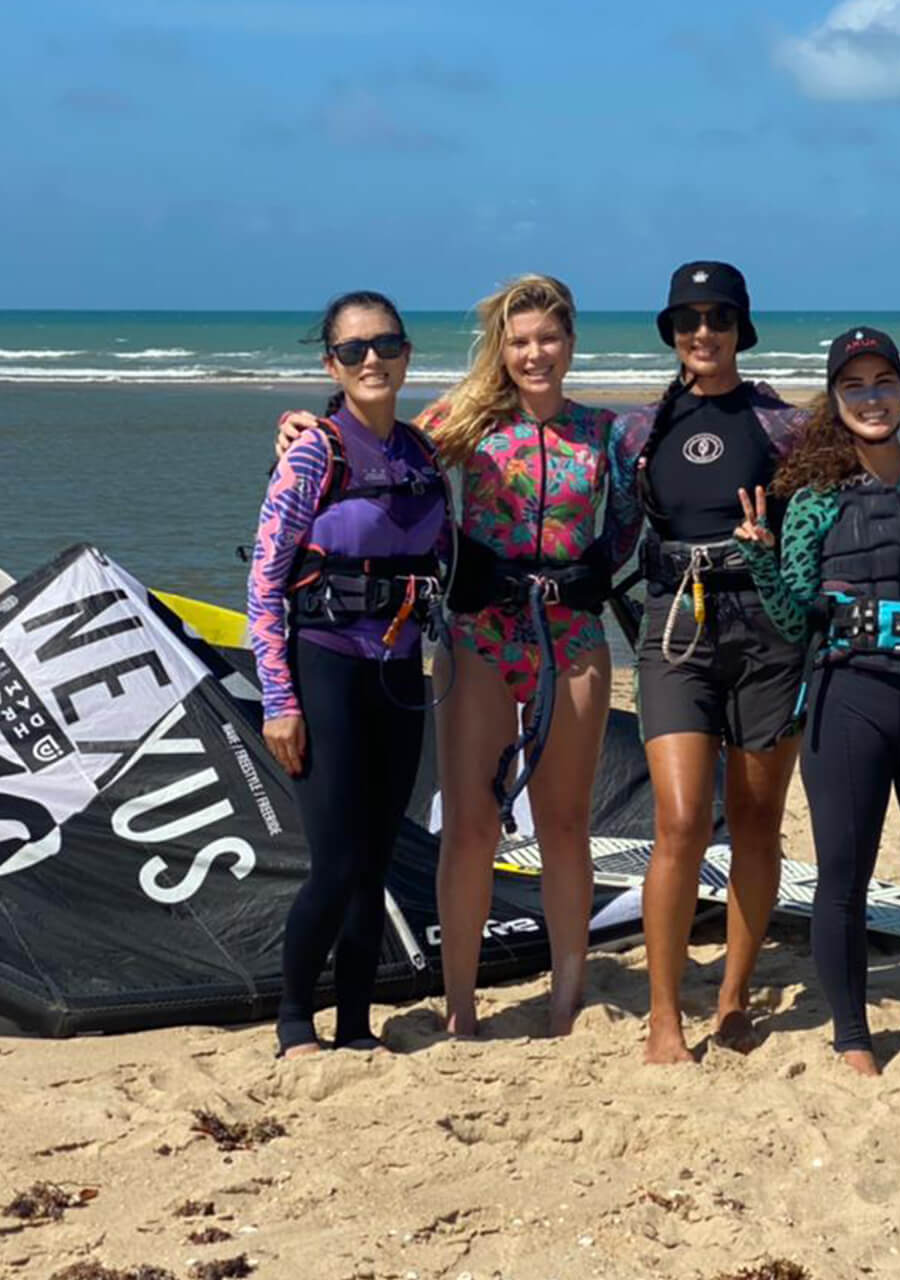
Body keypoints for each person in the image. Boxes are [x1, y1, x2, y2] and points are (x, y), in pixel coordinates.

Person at [275, 275, 635, 1038]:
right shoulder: (459, 424)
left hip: (572, 639)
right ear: (501, 350)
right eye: (520, 340)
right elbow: (369, 445)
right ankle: (461, 1007)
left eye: (549, 338)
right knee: (471, 825)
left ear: (570, 343)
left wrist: (590, 571)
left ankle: (569, 998)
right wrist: (300, 426)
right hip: (478, 635)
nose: (535, 354)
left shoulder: (606, 432)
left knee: (566, 824)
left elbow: (631, 528)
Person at [736, 326, 900, 1077]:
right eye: (854, 385)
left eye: (883, 381)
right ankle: (852, 1034)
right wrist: (761, 559)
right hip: (847, 698)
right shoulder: (815, 501)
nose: (871, 397)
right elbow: (795, 619)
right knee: (843, 875)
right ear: (835, 398)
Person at [603, 262, 810, 1064]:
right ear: (671, 331)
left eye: (718, 318)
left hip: (768, 633)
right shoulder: (637, 431)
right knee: (682, 822)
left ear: (740, 327)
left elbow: (861, 465)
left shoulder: (785, 427)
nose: (702, 333)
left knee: (757, 822)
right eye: (687, 319)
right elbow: (610, 528)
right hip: (674, 630)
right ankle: (664, 1016)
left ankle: (730, 999)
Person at [247, 289, 449, 1058]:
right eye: (354, 349)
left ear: (406, 354)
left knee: (374, 860)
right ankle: (296, 1021)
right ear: (331, 362)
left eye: (387, 345)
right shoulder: (313, 452)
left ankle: (358, 1025)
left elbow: (448, 560)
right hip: (325, 668)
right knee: (333, 863)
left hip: (400, 677)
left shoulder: (422, 452)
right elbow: (265, 583)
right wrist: (279, 699)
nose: (373, 360)